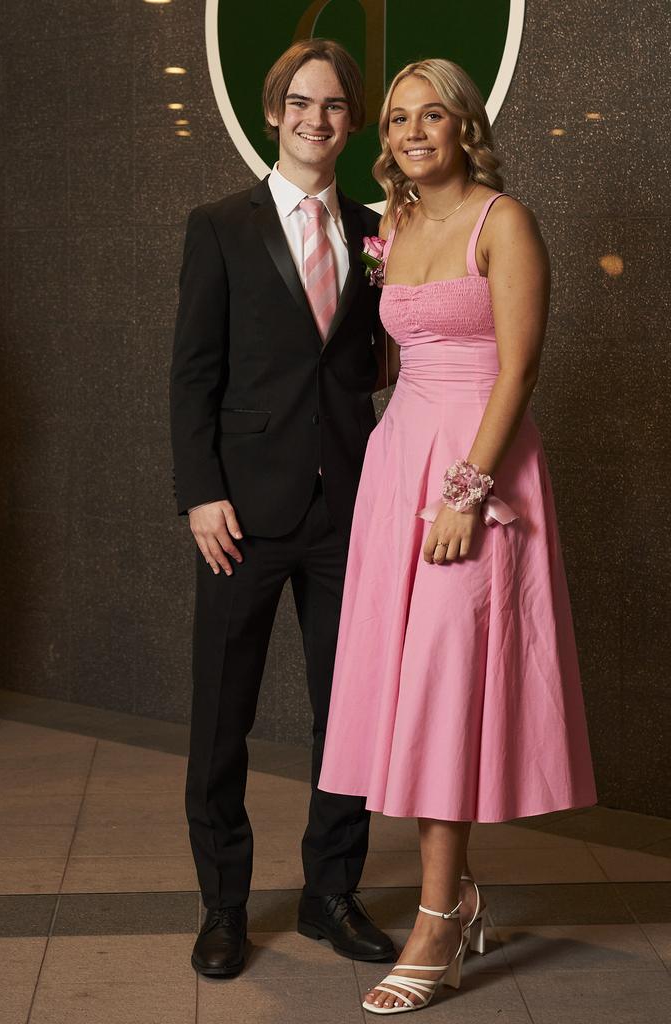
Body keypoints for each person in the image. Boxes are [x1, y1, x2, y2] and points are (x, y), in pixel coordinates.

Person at [317, 58, 598, 1013]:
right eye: (397, 120)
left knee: (444, 686)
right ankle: (458, 893)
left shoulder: (503, 220)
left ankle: (439, 918)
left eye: (432, 115)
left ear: (464, 124)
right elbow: (395, 354)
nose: (412, 132)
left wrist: (467, 491)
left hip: (475, 472)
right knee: (405, 686)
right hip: (399, 468)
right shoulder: (391, 228)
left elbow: (517, 371)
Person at [169, 38, 395, 978]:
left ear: (353, 120)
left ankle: (328, 895)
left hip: (349, 510)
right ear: (274, 111)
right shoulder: (218, 224)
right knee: (223, 716)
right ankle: (223, 905)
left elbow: (382, 361)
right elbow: (193, 375)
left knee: (349, 717)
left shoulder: (379, 226)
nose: (317, 119)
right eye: (302, 103)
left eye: (336, 105)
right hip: (241, 516)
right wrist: (199, 492)